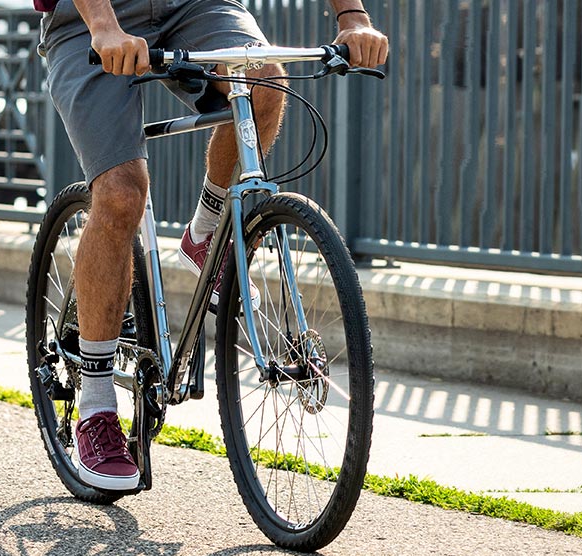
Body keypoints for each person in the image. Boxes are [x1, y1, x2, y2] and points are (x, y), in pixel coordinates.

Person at [36, 0, 389, 490]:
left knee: (265, 84)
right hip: (90, 19)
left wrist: (352, 16)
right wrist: (103, 25)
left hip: (197, 6)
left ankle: (206, 232)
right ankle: (96, 407)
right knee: (120, 192)